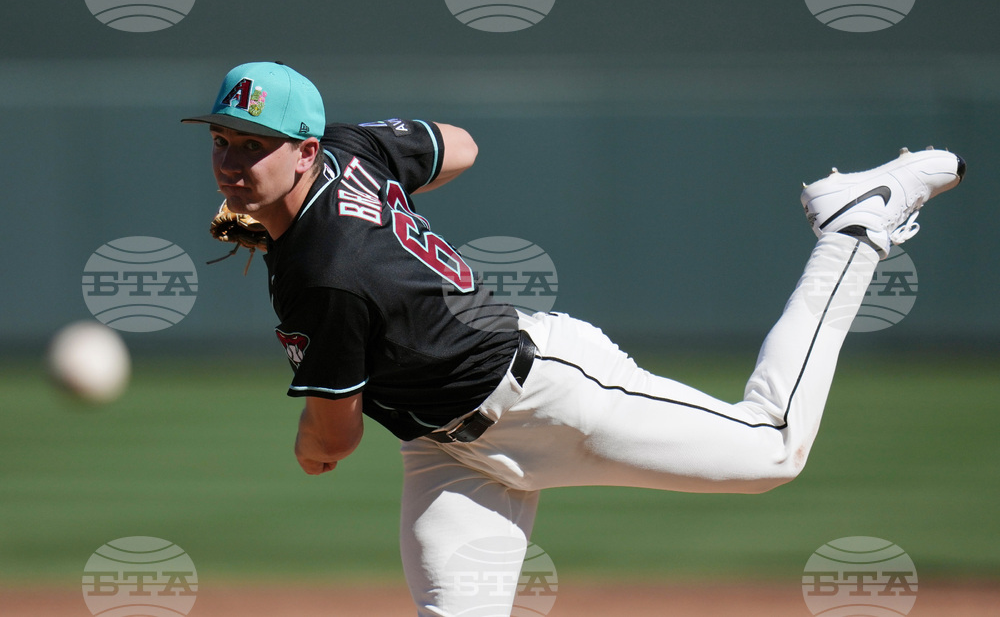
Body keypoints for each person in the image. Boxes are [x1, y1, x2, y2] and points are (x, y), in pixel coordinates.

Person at [183, 61, 964, 616]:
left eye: (255, 143)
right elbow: (459, 144)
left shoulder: (323, 270)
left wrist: (307, 449)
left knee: (773, 450)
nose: (232, 160)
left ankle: (854, 223)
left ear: (302, 149)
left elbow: (331, 441)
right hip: (447, 452)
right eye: (223, 138)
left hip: (549, 395)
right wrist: (383, 191)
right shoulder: (350, 150)